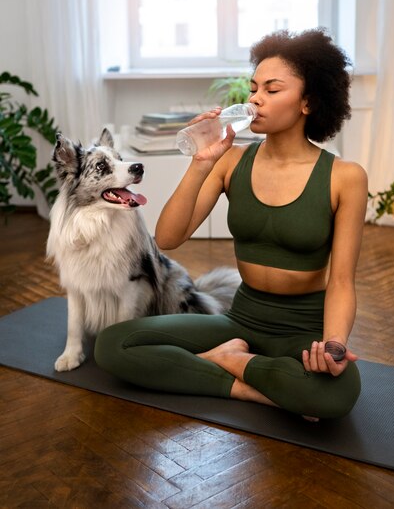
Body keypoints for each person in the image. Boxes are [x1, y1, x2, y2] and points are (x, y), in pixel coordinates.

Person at [94, 28, 368, 420]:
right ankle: (245, 379)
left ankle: (226, 364)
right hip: (241, 319)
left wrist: (334, 345)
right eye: (254, 87)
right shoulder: (231, 161)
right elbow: (169, 238)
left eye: (272, 90)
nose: (255, 98)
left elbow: (341, 281)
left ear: (308, 102)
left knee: (339, 393)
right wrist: (200, 162)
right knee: (112, 345)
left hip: (303, 327)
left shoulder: (345, 177)